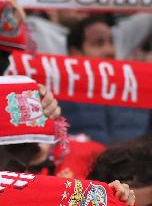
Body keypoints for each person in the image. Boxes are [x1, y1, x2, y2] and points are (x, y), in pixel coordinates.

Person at [58, 15, 150, 144]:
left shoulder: (137, 89)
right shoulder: (59, 95)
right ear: (76, 53)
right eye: (99, 43)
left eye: (112, 42)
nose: (110, 50)